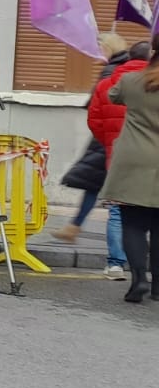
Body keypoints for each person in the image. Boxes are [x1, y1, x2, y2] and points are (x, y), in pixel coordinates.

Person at [54, 32, 130, 260]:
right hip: (122, 137)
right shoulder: (128, 68)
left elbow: (96, 106)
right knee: (98, 185)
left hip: (107, 137)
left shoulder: (110, 71)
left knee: (108, 191)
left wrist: (101, 130)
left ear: (108, 49)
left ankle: (117, 256)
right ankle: (74, 227)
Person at [98, 32, 159, 304]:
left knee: (133, 224)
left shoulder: (131, 81)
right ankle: (158, 287)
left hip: (134, 157)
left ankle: (138, 280)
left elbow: (112, 95)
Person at [88, 40, 151, 287]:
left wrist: (110, 145)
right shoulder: (150, 83)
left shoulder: (109, 83)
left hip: (119, 156)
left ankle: (116, 263)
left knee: (118, 211)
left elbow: (95, 121)